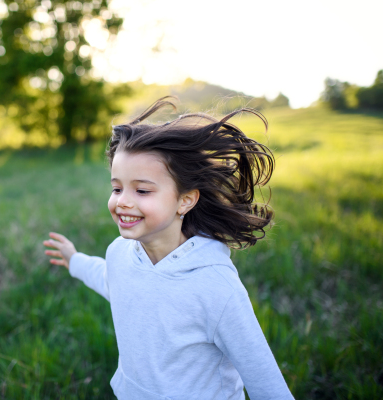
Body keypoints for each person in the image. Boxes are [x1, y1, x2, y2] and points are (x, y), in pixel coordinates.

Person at [43, 98, 294, 399]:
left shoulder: (215, 287)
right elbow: (112, 280)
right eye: (117, 188)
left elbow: (264, 379)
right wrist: (76, 261)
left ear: (185, 200)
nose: (122, 200)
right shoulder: (120, 252)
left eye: (142, 190)